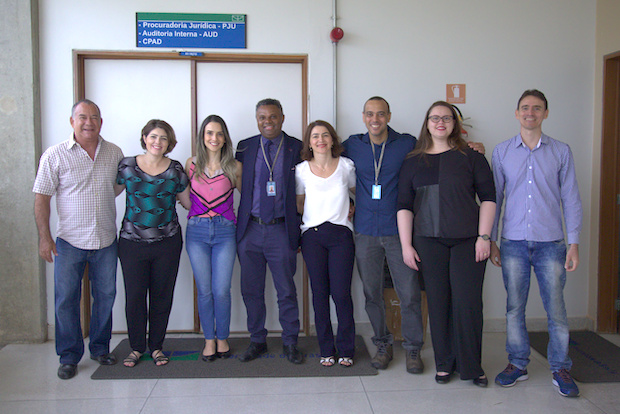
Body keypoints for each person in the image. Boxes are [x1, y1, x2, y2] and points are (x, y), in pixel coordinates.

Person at [342, 96, 486, 373]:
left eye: (381, 114)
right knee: (372, 293)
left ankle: (412, 349)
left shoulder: (407, 144)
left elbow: (441, 149)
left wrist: (472, 146)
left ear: (389, 115)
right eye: (370, 114)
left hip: (399, 232)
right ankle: (382, 345)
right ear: (363, 117)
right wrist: (344, 203)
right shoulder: (352, 145)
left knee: (409, 293)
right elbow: (330, 167)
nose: (375, 119)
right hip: (364, 231)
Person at [397, 101, 496, 387]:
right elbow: (403, 205)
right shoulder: (412, 161)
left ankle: (472, 367)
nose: (440, 122)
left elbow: (488, 197)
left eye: (447, 118)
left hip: (468, 241)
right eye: (434, 118)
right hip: (428, 242)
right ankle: (444, 363)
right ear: (426, 123)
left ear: (455, 123)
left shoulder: (472, 157)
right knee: (439, 304)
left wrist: (484, 237)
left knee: (467, 304)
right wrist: (406, 246)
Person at [491, 89, 583, 398]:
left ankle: (560, 367)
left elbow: (570, 199)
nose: (531, 112)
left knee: (556, 309)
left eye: (537, 108)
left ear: (545, 113)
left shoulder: (561, 151)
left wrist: (574, 243)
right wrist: (492, 239)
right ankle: (517, 363)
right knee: (514, 308)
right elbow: (496, 199)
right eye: (525, 108)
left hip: (551, 244)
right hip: (513, 242)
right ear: (516, 114)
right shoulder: (502, 152)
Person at [33, 99, 124, 379]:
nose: (88, 122)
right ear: (72, 121)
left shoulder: (114, 152)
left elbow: (118, 187)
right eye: (82, 117)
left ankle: (99, 348)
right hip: (69, 242)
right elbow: (42, 198)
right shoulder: (55, 154)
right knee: (66, 300)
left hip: (106, 239)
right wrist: (44, 238)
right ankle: (70, 356)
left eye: (94, 117)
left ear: (101, 122)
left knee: (105, 297)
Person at [235, 98, 303, 364]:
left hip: (281, 229)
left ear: (282, 118)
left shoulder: (297, 147)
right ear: (257, 119)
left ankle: (290, 342)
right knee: (251, 290)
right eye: (262, 117)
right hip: (250, 229)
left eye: (273, 117)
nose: (267, 122)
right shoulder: (245, 147)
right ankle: (257, 340)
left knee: (286, 290)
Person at [116, 119, 188, 368]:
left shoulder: (176, 169)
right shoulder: (126, 165)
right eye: (154, 136)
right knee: (135, 296)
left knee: (161, 296)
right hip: (131, 242)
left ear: (170, 143)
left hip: (167, 242)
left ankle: (157, 347)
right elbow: (109, 191)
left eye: (164, 138)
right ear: (145, 138)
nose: (158, 142)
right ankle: (136, 348)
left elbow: (187, 202)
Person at [178, 115, 242, 362]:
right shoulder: (191, 164)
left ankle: (223, 337)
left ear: (225, 137)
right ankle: (209, 340)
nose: (214, 138)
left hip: (226, 231)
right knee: (204, 291)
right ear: (202, 137)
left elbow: (247, 199)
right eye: (209, 133)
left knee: (221, 290)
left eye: (218, 133)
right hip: (197, 232)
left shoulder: (235, 166)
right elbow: (185, 198)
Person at [296, 120, 356, 367]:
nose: (320, 140)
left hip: (341, 235)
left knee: (341, 294)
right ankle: (326, 349)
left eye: (325, 135)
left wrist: (351, 208)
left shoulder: (346, 166)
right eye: (315, 136)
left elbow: (356, 193)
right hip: (312, 236)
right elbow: (300, 203)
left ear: (332, 139)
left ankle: (346, 349)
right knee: (319, 295)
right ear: (309, 143)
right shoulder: (300, 170)